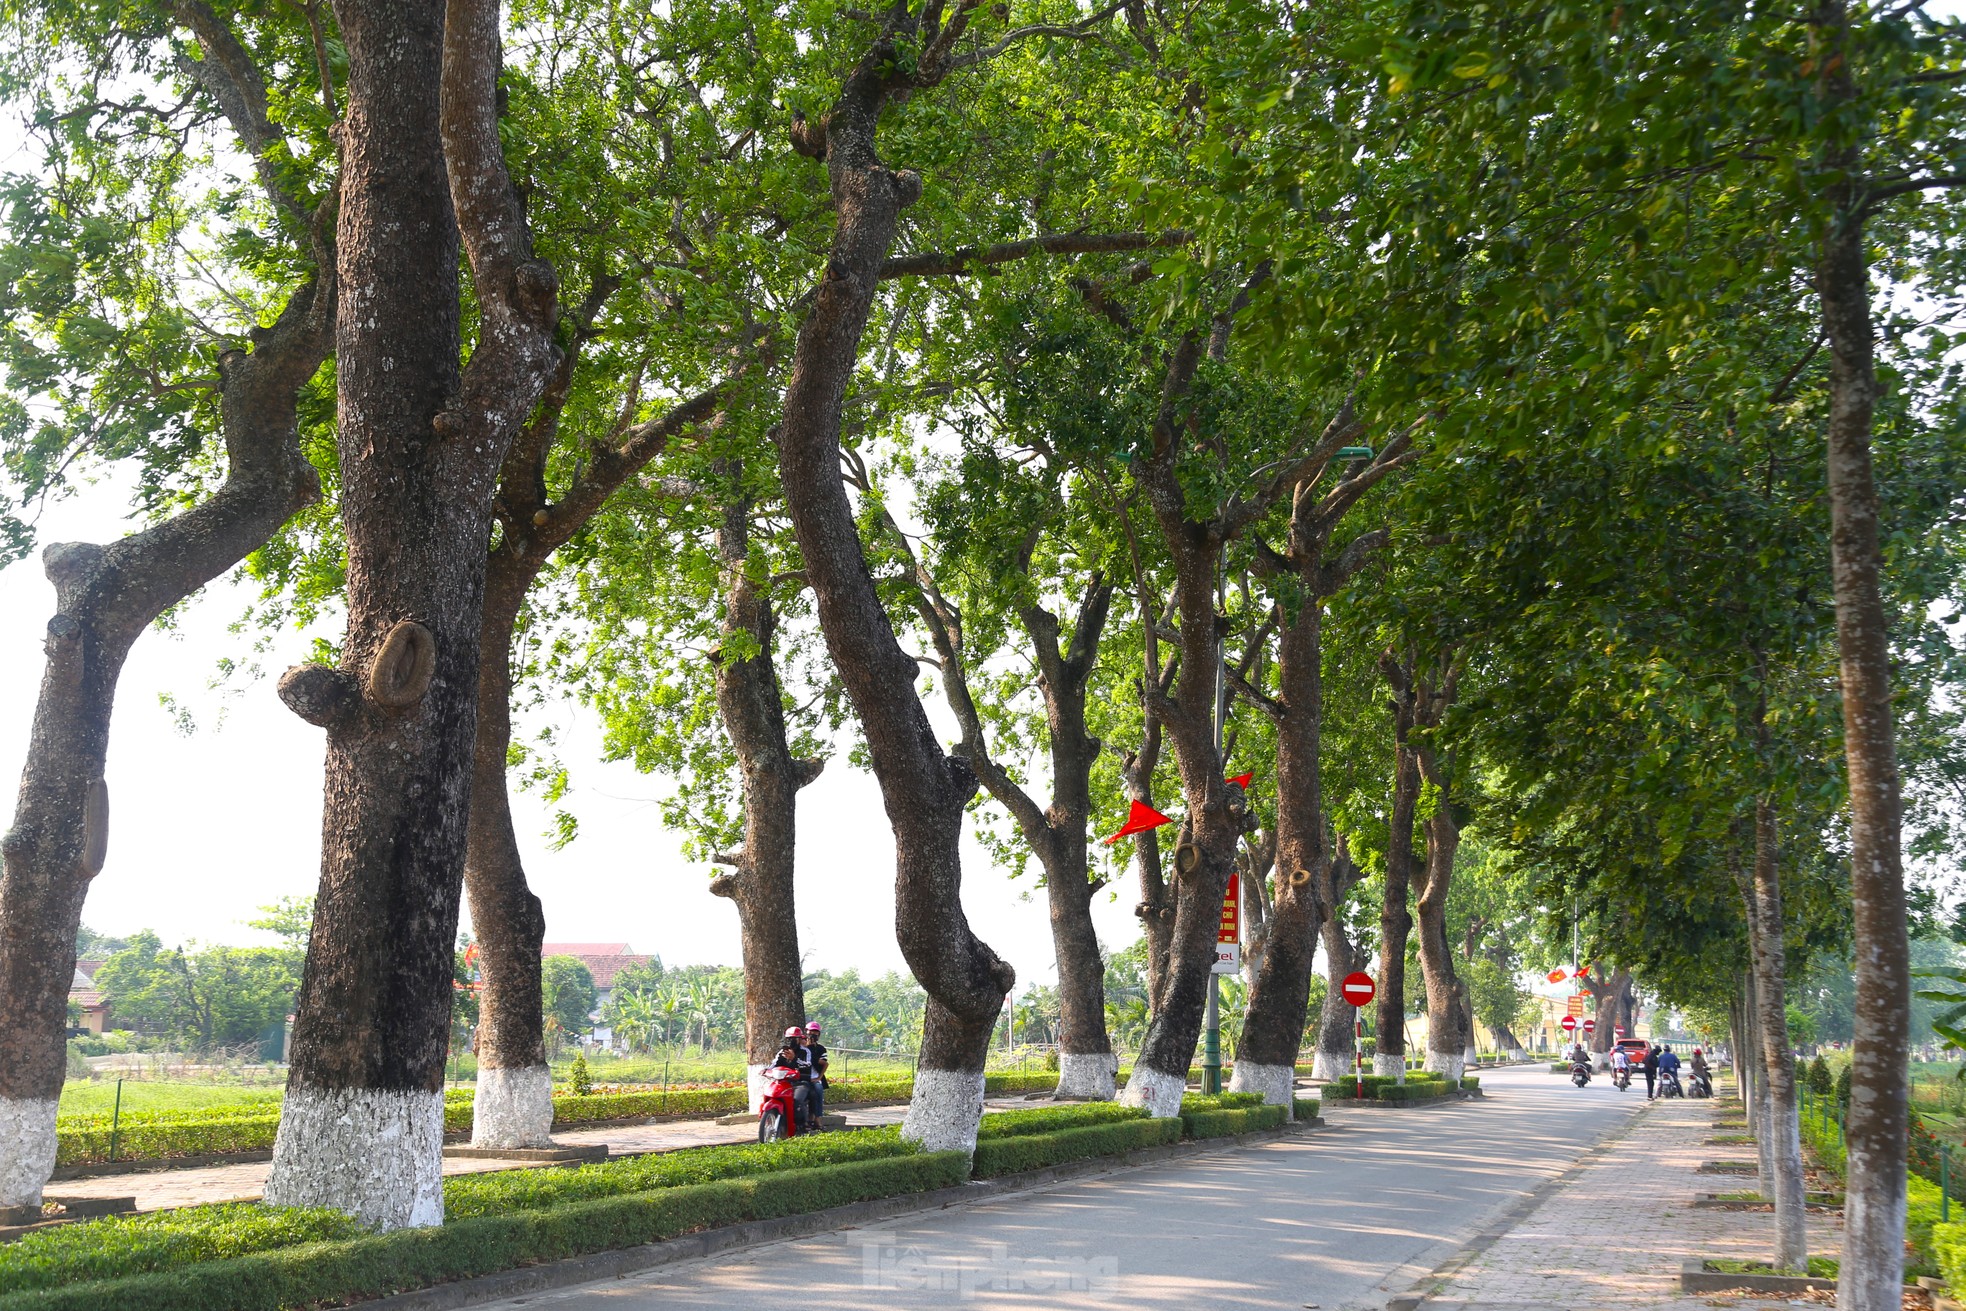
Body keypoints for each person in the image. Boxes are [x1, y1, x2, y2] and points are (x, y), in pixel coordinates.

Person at [768, 1028, 812, 1129]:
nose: (791, 1041)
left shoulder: (805, 1051)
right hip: (784, 1082)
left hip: (800, 1082)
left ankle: (802, 1123)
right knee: (774, 1095)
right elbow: (773, 1064)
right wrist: (766, 1070)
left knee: (797, 1101)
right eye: (789, 1039)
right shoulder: (782, 1052)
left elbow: (808, 1065)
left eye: (794, 1038)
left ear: (799, 1039)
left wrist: (794, 1059)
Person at [802, 1022, 829, 1125]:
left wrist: (819, 1078)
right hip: (802, 1077)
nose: (812, 1034)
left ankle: (817, 1118)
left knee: (818, 1089)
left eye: (815, 1032)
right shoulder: (801, 1047)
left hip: (815, 1077)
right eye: (810, 1032)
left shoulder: (821, 1049)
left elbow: (823, 1063)